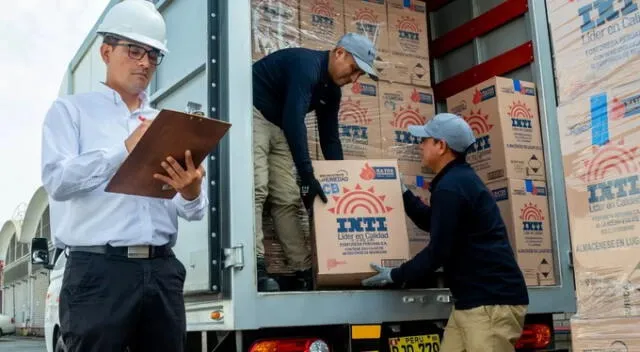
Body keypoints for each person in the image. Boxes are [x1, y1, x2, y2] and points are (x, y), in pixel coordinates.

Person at [40, 1, 207, 351]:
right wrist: (123, 149)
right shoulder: (71, 112)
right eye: (134, 50)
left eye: (153, 54)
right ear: (106, 52)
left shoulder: (163, 123)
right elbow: (57, 181)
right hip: (99, 274)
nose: (145, 62)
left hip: (162, 273)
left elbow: (191, 211)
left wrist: (191, 191)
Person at [361, 113, 530, 351]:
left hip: (491, 304)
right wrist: (404, 194)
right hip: (471, 304)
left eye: (425, 140)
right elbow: (434, 222)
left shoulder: (452, 186)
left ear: (441, 146)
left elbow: (437, 252)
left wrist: (396, 275)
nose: (421, 146)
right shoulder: (456, 181)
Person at [252, 32, 378, 291]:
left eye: (359, 76)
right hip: (254, 112)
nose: (353, 79)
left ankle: (302, 269)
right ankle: (256, 266)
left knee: (287, 197)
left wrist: (343, 184)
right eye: (354, 69)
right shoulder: (306, 66)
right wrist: (308, 176)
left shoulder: (332, 91)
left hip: (281, 125)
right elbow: (293, 120)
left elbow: (330, 139)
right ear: (339, 52)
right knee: (258, 187)